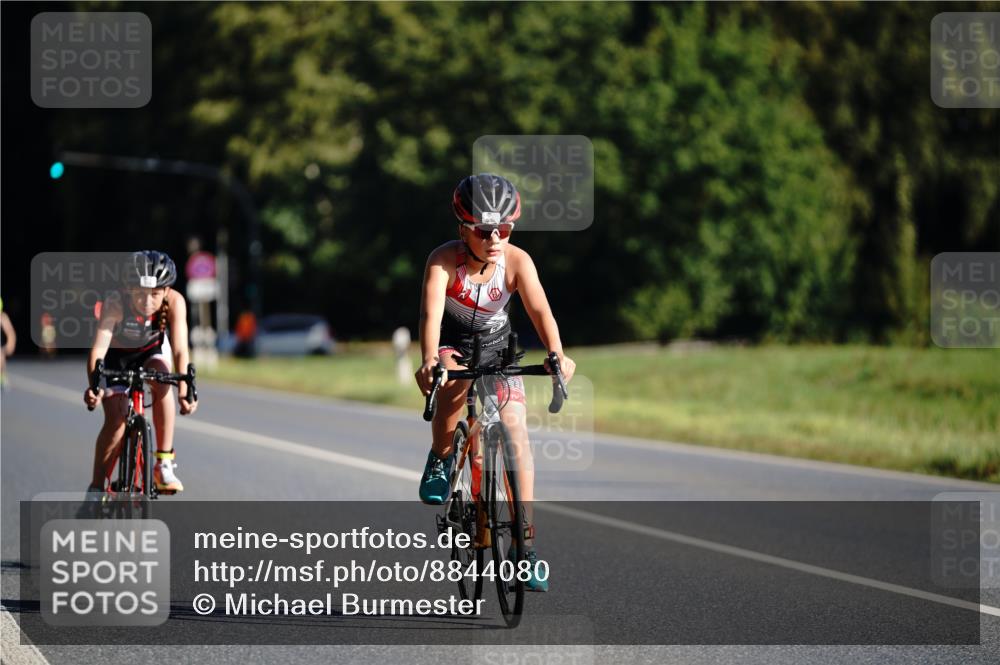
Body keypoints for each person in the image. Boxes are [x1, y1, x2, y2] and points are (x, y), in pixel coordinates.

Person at [414, 174, 576, 592]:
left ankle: (526, 546)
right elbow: (430, 316)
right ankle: (442, 455)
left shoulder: (518, 262)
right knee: (451, 381)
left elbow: (540, 309)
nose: (494, 238)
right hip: (452, 343)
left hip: (498, 348)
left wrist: (557, 352)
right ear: (463, 230)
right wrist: (430, 361)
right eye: (485, 230)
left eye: (503, 229)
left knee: (517, 430)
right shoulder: (443, 261)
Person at [83, 251, 198, 496]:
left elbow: (179, 348)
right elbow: (98, 351)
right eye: (140, 294)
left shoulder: (175, 302)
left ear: (166, 291)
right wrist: (94, 387)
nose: (147, 302)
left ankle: (163, 464)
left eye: (155, 294)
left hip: (149, 353)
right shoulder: (115, 303)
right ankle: (95, 489)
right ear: (127, 290)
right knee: (116, 422)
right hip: (116, 358)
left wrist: (185, 393)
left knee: (163, 377)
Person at [0, 298, 16, 388]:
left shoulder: (3, 317)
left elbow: (10, 332)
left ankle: (1, 376)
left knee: (1, 356)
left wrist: (10, 344)